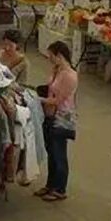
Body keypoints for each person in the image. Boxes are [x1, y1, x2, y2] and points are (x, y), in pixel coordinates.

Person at [37, 40, 79, 203]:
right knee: (51, 152)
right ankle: (51, 184)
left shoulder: (69, 76)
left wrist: (38, 99)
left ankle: (60, 188)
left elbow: (59, 100)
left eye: (51, 56)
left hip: (61, 117)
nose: (50, 59)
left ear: (59, 55)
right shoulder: (57, 70)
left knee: (59, 153)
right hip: (50, 114)